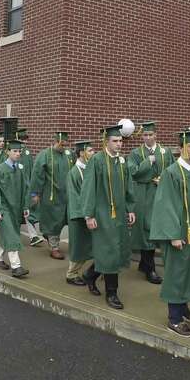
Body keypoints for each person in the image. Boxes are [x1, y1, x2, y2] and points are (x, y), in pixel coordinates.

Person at [150, 129, 190, 338]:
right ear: (180, 148)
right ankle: (174, 319)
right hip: (178, 234)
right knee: (177, 274)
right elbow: (165, 205)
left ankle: (182, 305)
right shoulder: (171, 173)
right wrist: (173, 234)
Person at [76, 124, 136, 309]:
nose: (119, 144)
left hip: (119, 215)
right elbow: (88, 189)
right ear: (106, 142)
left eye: (120, 141)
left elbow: (128, 187)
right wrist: (88, 215)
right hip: (102, 215)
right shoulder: (97, 161)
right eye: (115, 141)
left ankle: (90, 275)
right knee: (110, 251)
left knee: (114, 251)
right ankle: (112, 293)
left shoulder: (122, 161)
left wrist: (130, 208)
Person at [127, 121, 169, 284]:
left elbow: (173, 171)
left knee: (158, 229)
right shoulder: (136, 153)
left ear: (156, 135)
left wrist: (163, 180)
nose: (148, 138)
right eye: (145, 135)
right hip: (144, 196)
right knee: (146, 230)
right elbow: (133, 173)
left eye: (151, 134)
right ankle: (150, 268)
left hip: (161, 194)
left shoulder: (165, 152)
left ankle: (145, 264)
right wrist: (147, 162)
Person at [0, 140, 31, 278]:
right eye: (15, 151)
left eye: (19, 151)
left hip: (16, 209)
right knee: (12, 235)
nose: (18, 154)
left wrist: (25, 206)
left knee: (8, 234)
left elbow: (25, 189)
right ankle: (16, 267)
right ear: (8, 152)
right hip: (4, 208)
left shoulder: (20, 169)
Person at [28, 131, 72, 259]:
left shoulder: (68, 155)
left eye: (65, 144)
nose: (64, 147)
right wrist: (35, 193)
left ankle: (49, 236)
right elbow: (37, 176)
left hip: (66, 195)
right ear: (55, 142)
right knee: (53, 221)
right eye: (61, 144)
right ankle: (54, 247)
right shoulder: (45, 155)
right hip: (51, 195)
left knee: (62, 220)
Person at [64, 139, 94, 285]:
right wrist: (84, 215)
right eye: (90, 151)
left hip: (90, 214)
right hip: (79, 216)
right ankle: (71, 274)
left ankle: (93, 272)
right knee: (79, 246)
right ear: (81, 153)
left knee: (93, 245)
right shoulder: (74, 173)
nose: (93, 153)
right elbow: (74, 197)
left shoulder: (89, 169)